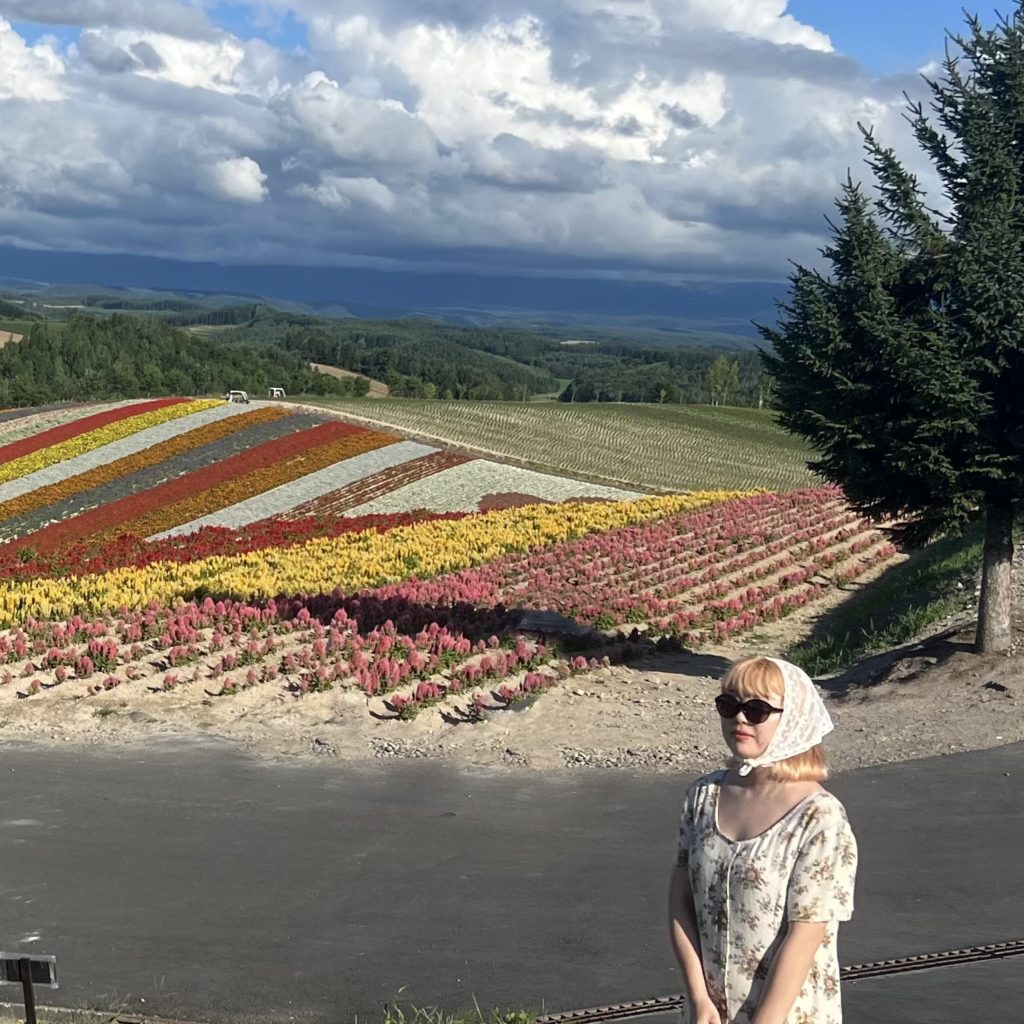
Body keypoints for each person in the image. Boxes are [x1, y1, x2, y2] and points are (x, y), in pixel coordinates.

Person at [668, 656, 858, 1024]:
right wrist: (698, 998)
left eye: (757, 710)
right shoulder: (702, 796)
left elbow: (806, 935)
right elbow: (680, 902)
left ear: (793, 719)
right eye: (729, 705)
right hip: (708, 1013)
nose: (739, 718)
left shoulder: (819, 817)